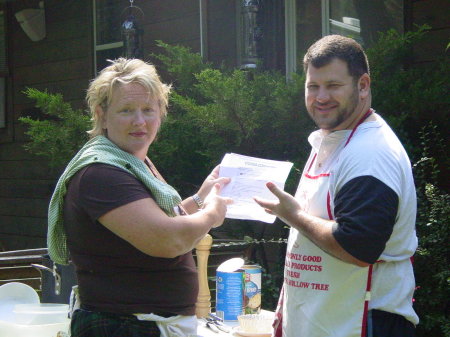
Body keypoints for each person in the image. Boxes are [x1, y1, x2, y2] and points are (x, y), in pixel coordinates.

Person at [47, 58, 233, 337]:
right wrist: (211, 215)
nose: (140, 121)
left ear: (161, 112)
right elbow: (167, 239)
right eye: (126, 110)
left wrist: (199, 198)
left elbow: (148, 224)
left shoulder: (132, 162)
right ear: (101, 115)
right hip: (124, 326)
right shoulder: (102, 174)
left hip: (141, 323)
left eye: (148, 109)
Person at [254, 35, 418, 337]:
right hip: (323, 318)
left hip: (363, 321)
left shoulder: (370, 153)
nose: (321, 97)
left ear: (363, 85)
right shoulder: (333, 139)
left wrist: (294, 217)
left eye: (333, 86)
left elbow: (358, 246)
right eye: (312, 86)